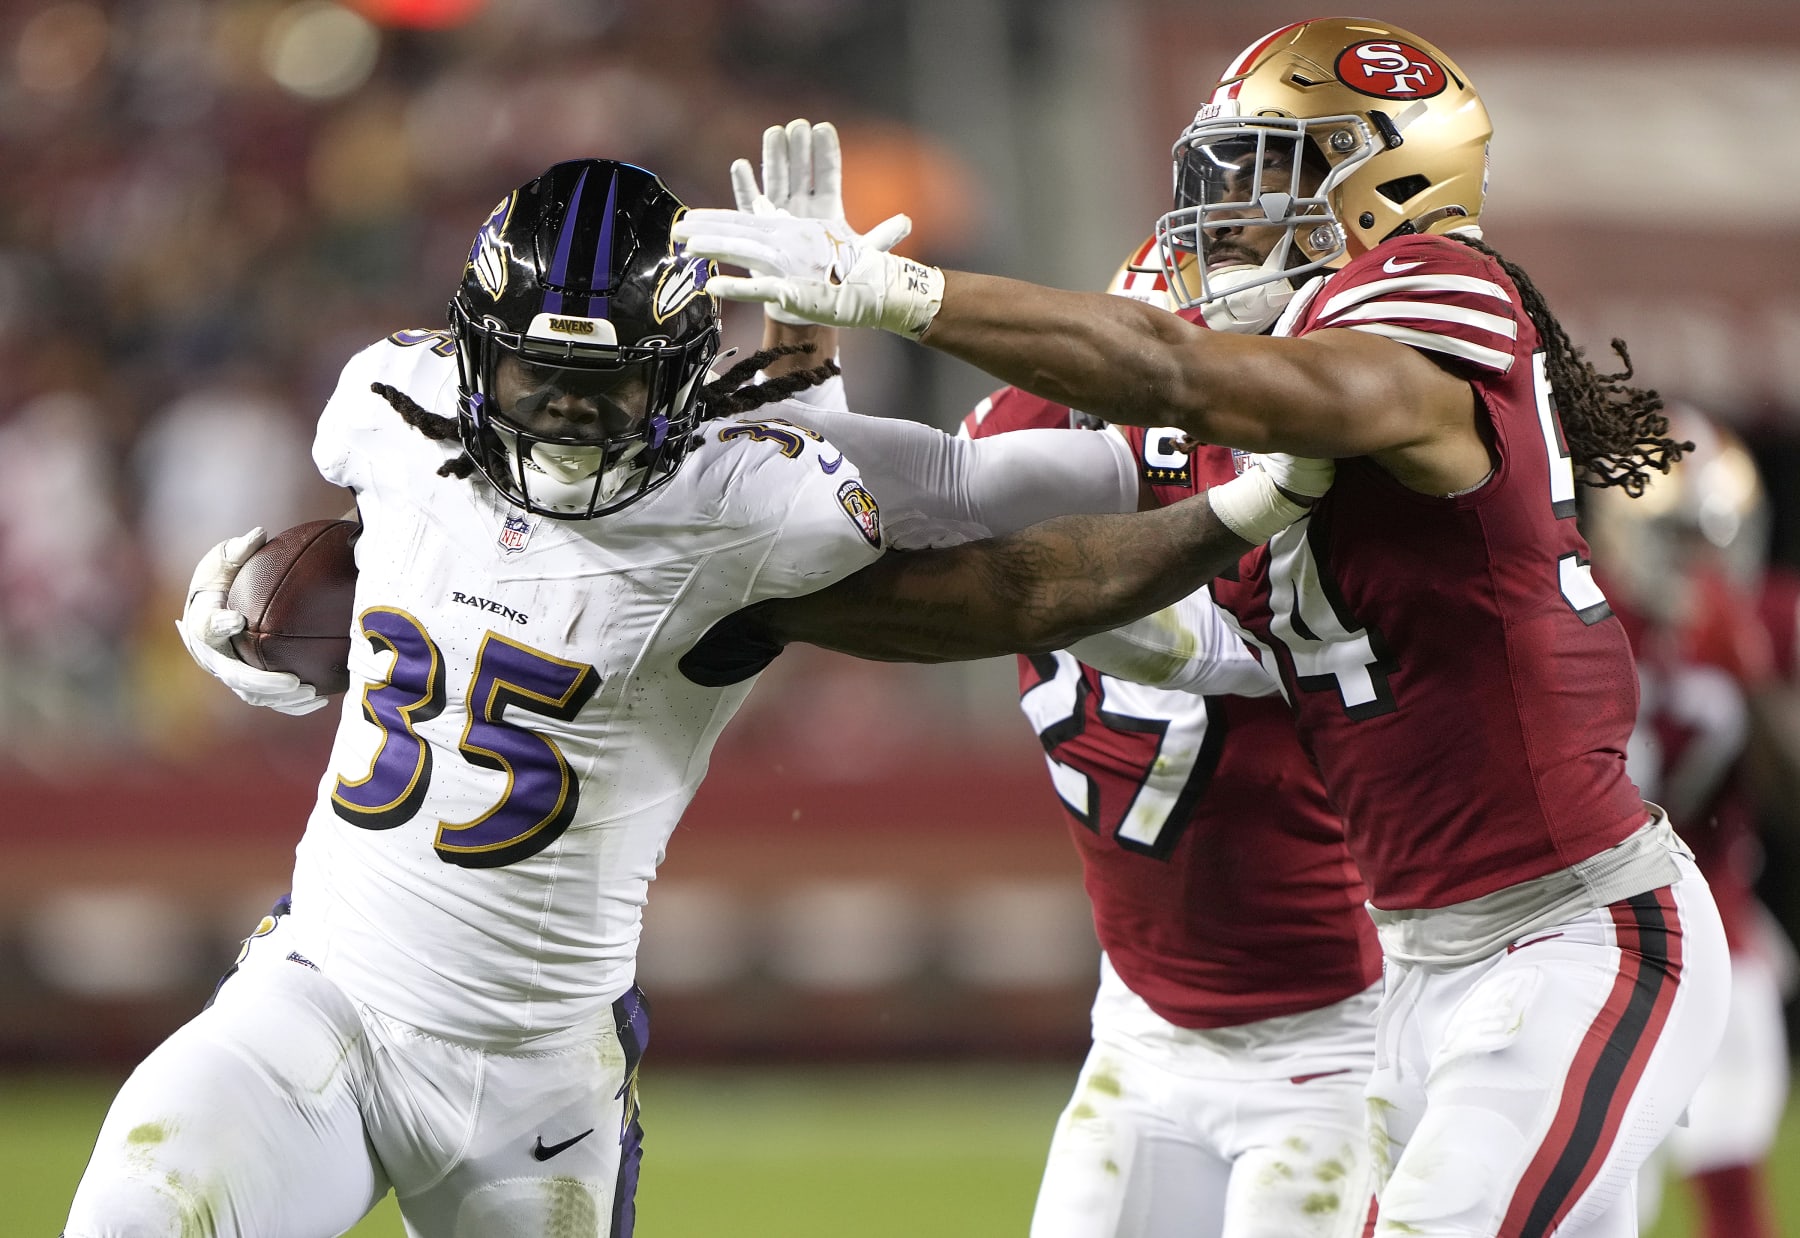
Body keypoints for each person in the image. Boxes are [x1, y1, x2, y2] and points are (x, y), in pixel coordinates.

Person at [63, 158, 1327, 1238]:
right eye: (537, 381)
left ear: (678, 375)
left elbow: (987, 530)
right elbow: (419, 551)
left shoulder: (740, 502)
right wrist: (255, 600)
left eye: (606, 389)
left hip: (537, 1084)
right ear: (473, 354)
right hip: (319, 995)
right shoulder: (392, 410)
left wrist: (1237, 494)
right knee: (135, 1214)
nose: (567, 421)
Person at [675, 18, 1732, 1237]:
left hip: (1572, 933)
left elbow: (1181, 389)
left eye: (1269, 176)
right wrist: (800, 377)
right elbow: (953, 500)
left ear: (1391, 190)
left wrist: (904, 292)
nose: (1220, 221)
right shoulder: (1244, 436)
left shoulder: (1437, 299)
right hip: (1410, 970)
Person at [736, 122, 1382, 1238]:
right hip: (1141, 1029)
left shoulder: (1331, 477)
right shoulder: (1053, 439)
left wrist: (1031, 573)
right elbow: (832, 501)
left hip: (1339, 1039)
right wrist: (801, 335)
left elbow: (1189, 640)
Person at [1586, 409, 1800, 1238]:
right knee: (1594, 1194)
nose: (1698, 559)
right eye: (1676, 535)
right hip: (1589, 933)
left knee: (1730, 1172)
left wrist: (1751, 676)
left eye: (1713, 535)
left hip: (1720, 925)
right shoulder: (1581, 615)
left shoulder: (1765, 616)